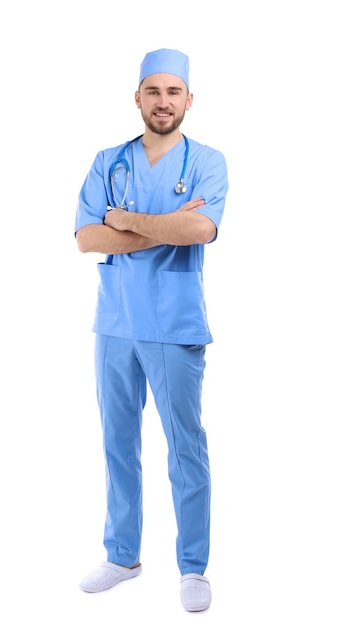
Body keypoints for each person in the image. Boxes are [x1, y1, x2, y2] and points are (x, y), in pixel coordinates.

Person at [74, 48, 229, 612]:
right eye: (153, 91)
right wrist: (169, 227)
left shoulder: (208, 161)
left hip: (174, 322)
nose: (163, 102)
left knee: (185, 447)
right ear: (137, 98)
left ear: (189, 100)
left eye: (173, 92)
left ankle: (193, 566)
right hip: (114, 321)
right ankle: (123, 556)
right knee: (119, 442)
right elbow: (87, 238)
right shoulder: (107, 161)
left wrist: (131, 221)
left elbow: (202, 227)